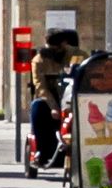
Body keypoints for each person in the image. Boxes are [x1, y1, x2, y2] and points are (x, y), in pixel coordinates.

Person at [28, 28, 80, 167]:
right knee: (37, 107)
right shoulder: (39, 60)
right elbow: (40, 86)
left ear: (64, 44)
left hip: (74, 97)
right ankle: (41, 152)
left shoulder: (78, 55)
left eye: (55, 49)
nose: (51, 52)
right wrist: (53, 107)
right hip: (51, 99)